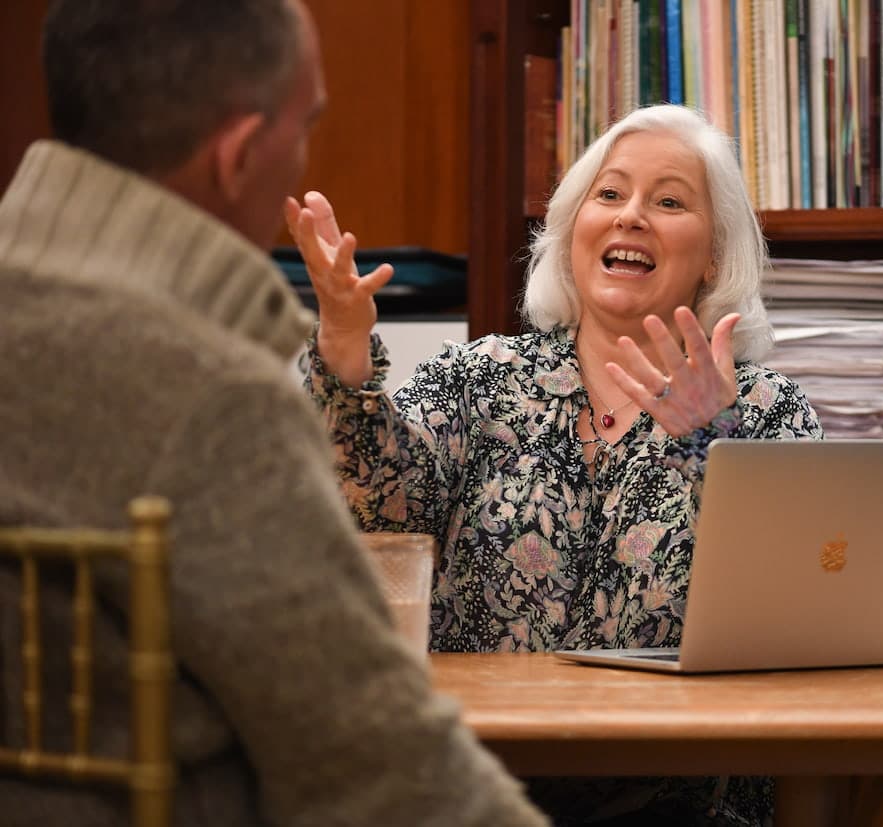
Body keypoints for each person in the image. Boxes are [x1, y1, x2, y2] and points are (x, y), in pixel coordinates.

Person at [0, 2, 548, 826]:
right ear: (241, 155)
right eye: (305, 127)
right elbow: (385, 770)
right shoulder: (209, 401)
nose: (302, 157)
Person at [289, 104, 824, 825]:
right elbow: (376, 516)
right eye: (610, 194)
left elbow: (807, 605)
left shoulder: (763, 408)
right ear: (573, 232)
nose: (632, 215)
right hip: (475, 789)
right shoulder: (479, 379)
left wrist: (711, 437)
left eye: (668, 201)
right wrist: (344, 347)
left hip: (685, 800)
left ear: (716, 259)